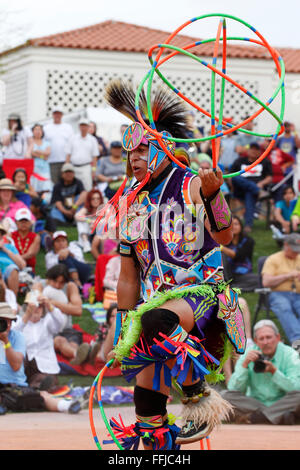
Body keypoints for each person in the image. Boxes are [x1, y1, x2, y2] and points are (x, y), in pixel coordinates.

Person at [94, 80, 246, 449]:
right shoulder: (129, 202)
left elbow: (225, 237)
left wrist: (214, 196)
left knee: (157, 319)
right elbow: (128, 274)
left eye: (142, 150)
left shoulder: (191, 184)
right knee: (147, 414)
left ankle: (198, 395)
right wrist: (123, 326)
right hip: (153, 310)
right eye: (129, 151)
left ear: (163, 147)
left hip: (202, 296)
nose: (133, 157)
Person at [0, 302, 82, 414]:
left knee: (40, 395)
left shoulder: (18, 336)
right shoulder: (22, 325)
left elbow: (16, 365)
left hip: (18, 383)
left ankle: (65, 405)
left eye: (10, 321)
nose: (7, 325)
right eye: (3, 321)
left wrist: (6, 342)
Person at [222, 319, 300, 425]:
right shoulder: (248, 354)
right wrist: (244, 366)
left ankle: (258, 418)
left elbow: (295, 388)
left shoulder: (289, 354)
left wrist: (274, 372)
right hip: (255, 404)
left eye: (269, 337)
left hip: (282, 401)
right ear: (255, 341)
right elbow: (233, 389)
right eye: (261, 338)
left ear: (277, 338)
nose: (265, 342)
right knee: (225, 396)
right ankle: (277, 416)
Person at [13, 290, 66, 390]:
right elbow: (12, 335)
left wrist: (50, 306)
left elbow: (60, 323)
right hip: (24, 365)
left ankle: (36, 388)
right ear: (26, 307)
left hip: (44, 364)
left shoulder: (47, 321)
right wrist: (27, 316)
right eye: (33, 306)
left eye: (40, 306)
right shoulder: (19, 321)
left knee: (45, 379)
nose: (36, 309)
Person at [262, 233, 300, 346]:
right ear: (285, 245)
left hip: (298, 294)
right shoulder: (273, 259)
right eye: (294, 250)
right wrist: (287, 276)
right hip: (278, 293)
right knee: (284, 308)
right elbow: (266, 282)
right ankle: (297, 342)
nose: (296, 252)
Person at [230, 142, 273, 232]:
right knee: (236, 177)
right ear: (248, 150)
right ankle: (258, 190)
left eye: (256, 149)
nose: (253, 151)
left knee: (249, 193)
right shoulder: (240, 161)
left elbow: (269, 177)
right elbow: (231, 176)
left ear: (259, 151)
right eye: (251, 148)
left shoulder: (264, 161)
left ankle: (248, 225)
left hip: (254, 190)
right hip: (240, 190)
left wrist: (261, 183)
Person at [221, 215, 260, 291]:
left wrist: (221, 248)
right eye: (231, 225)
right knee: (223, 255)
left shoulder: (248, 241)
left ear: (241, 226)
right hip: (228, 273)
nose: (234, 227)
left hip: (243, 274)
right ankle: (231, 286)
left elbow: (238, 256)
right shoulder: (224, 241)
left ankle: (232, 288)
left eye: (236, 224)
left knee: (260, 280)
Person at [65, 118, 100, 191]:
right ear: (79, 127)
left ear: (88, 127)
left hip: (86, 168)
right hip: (73, 167)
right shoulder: (72, 138)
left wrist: (93, 170)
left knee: (87, 188)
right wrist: (67, 168)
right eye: (82, 126)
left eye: (85, 126)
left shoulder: (92, 139)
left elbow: (95, 157)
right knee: (73, 189)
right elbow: (68, 154)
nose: (83, 128)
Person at [43, 107, 74, 184]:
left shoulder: (68, 127)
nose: (57, 115)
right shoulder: (46, 128)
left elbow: (71, 144)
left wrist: (68, 161)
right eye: (55, 113)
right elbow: (43, 143)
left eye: (59, 113)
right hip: (51, 162)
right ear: (53, 115)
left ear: (62, 115)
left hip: (65, 161)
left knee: (66, 182)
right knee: (54, 183)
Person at [11, 207, 41, 274]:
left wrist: (15, 259)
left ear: (30, 222)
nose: (23, 223)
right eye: (21, 221)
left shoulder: (35, 237)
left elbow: (30, 254)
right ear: (16, 222)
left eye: (26, 221)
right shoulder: (10, 236)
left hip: (29, 268)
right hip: (13, 267)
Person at [0, 222, 26, 295]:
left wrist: (5, 249)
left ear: (2, 236)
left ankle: (13, 301)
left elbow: (22, 265)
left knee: (13, 268)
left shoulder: (9, 247)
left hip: (8, 272)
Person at [75, 188, 104, 253]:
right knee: (81, 222)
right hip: (89, 232)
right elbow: (77, 216)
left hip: (100, 232)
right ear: (89, 200)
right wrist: (90, 221)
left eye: (98, 198)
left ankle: (88, 244)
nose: (96, 201)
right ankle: (86, 243)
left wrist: (96, 223)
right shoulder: (87, 208)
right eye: (93, 199)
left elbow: (110, 218)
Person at [29, 123, 53, 197]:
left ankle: (45, 203)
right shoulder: (31, 142)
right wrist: (43, 156)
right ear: (32, 131)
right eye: (36, 129)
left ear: (42, 132)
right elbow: (31, 153)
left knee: (46, 187)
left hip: (45, 169)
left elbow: (48, 153)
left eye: (39, 129)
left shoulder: (47, 143)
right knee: (35, 187)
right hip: (34, 169)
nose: (38, 131)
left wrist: (36, 152)